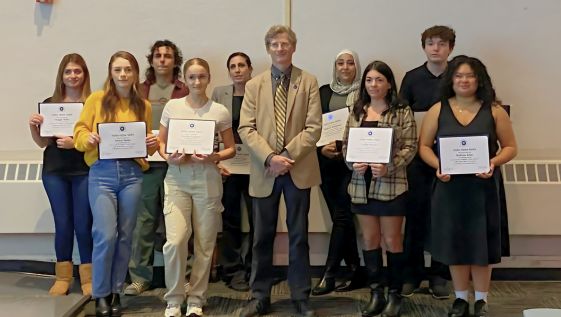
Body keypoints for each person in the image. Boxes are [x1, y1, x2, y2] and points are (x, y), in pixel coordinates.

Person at [418, 55, 517, 317]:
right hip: (449, 189)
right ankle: (461, 299)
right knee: (455, 244)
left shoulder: (494, 110)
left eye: (469, 76)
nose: (464, 80)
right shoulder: (437, 110)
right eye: (459, 75)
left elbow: (510, 147)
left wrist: (493, 162)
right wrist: (437, 165)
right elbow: (424, 147)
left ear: (479, 79)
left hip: (483, 190)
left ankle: (482, 300)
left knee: (481, 245)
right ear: (451, 79)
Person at [238, 25, 322, 317]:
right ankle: (259, 295)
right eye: (274, 44)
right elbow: (245, 128)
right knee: (262, 236)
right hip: (265, 171)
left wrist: (286, 156)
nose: (280, 48)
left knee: (299, 235)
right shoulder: (254, 85)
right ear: (268, 48)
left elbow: (314, 128)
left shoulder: (308, 81)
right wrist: (271, 157)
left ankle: (301, 296)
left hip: (298, 170)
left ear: (293, 47)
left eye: (285, 44)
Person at [74, 51, 159, 317]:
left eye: (128, 70)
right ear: (111, 72)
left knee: (125, 237)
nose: (123, 74)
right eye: (118, 69)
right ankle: (100, 294)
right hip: (102, 173)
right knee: (105, 235)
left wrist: (151, 144)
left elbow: (145, 139)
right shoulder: (96, 99)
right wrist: (86, 139)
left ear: (135, 74)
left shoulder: (143, 104)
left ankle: (116, 290)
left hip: (132, 174)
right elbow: (79, 130)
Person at [160, 58, 236, 317]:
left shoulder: (219, 111)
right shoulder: (172, 107)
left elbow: (231, 148)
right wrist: (169, 156)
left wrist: (215, 157)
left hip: (207, 179)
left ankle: (196, 299)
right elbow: (161, 144)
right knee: (176, 240)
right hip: (177, 179)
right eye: (191, 77)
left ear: (208, 78)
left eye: (201, 76)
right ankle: (174, 298)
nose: (196, 82)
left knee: (205, 242)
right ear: (185, 78)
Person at [342, 61, 417, 317]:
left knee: (392, 240)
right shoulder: (356, 111)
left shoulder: (401, 111)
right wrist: (354, 163)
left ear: (389, 84)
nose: (374, 85)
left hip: (391, 186)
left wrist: (390, 167)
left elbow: (410, 147)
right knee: (370, 240)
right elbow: (346, 146)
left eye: (379, 80)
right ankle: (376, 292)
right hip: (361, 186)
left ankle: (395, 294)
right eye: (369, 80)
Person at [126, 39, 188, 296]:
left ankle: (184, 277)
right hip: (146, 165)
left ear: (176, 61)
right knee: (144, 222)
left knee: (182, 223)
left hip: (178, 165)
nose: (163, 60)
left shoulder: (185, 90)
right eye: (158, 55)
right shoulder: (137, 90)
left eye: (168, 56)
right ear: (151, 60)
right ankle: (140, 277)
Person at [28, 53, 93, 296]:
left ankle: (88, 277)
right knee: (63, 223)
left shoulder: (93, 104)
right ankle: (63, 277)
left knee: (84, 224)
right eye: (68, 72)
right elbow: (43, 143)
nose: (73, 76)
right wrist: (33, 127)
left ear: (85, 74)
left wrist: (76, 143)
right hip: (54, 171)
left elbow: (98, 140)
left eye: (78, 71)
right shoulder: (50, 103)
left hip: (84, 170)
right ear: (62, 76)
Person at [399, 25, 456, 299]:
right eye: (431, 43)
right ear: (424, 47)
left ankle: (439, 275)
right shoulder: (411, 78)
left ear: (450, 48)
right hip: (417, 160)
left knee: (444, 217)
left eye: (442, 44)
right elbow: (401, 117)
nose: (436, 48)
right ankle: (412, 274)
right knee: (416, 216)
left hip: (452, 158)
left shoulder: (459, 76)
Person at [312, 49, 363, 296]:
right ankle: (355, 268)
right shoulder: (323, 92)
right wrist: (321, 149)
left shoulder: (366, 93)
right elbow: (313, 125)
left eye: (350, 63)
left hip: (353, 165)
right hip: (326, 163)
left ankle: (329, 273)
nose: (345, 67)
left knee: (342, 215)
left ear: (357, 66)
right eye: (340, 63)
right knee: (340, 218)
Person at [211, 52, 254, 292]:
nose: (237, 70)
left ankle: (253, 268)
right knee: (230, 219)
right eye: (233, 66)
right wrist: (216, 162)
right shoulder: (219, 94)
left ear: (250, 69)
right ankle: (232, 269)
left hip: (255, 165)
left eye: (241, 65)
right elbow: (213, 131)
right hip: (228, 166)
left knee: (258, 219)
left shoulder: (259, 92)